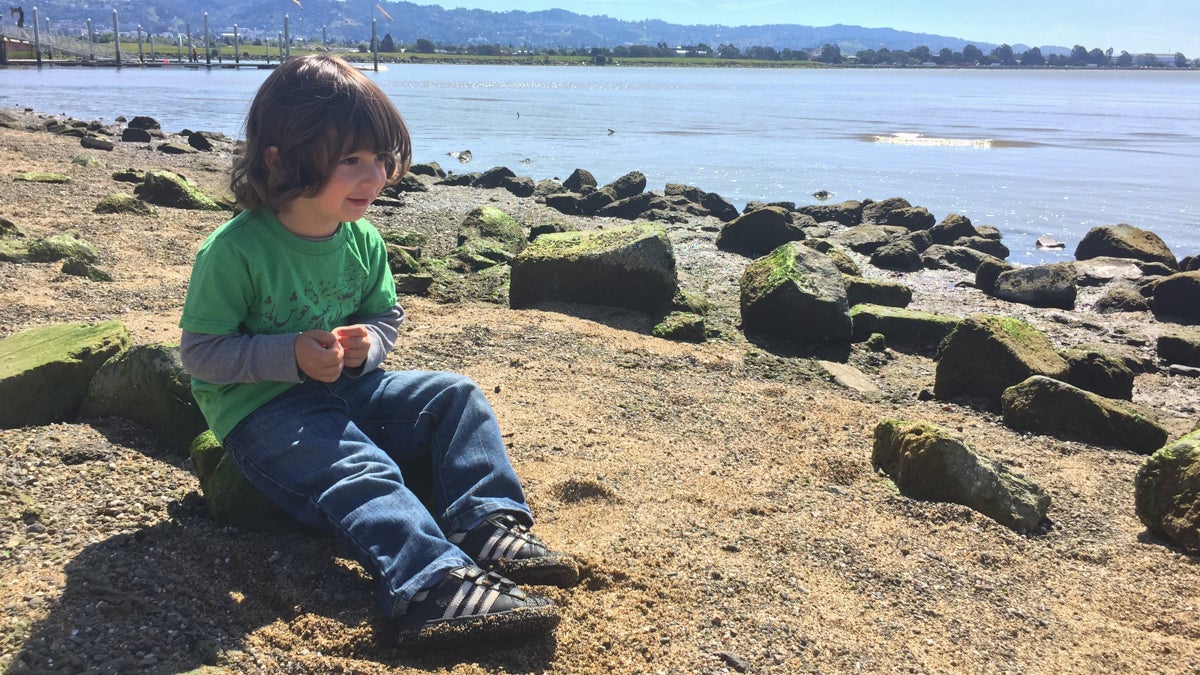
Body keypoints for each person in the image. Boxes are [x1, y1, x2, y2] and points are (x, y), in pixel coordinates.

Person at [179, 54, 577, 646]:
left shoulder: (362, 237)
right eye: (351, 161)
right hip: (264, 413)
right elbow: (201, 353)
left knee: (454, 395)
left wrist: (372, 344)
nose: (376, 177)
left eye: (381, 158)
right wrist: (287, 354)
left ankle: (483, 523)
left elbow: (384, 313)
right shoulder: (236, 251)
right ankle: (429, 585)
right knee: (360, 469)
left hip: (351, 388)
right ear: (280, 159)